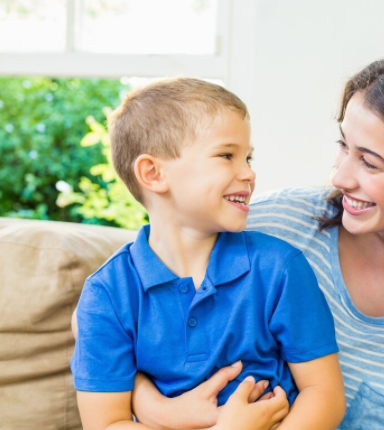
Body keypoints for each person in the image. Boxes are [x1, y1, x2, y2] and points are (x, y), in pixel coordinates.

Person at [131, 51, 384, 430]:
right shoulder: (275, 227)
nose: (340, 178)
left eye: (370, 162)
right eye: (343, 146)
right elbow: (116, 308)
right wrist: (159, 409)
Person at [70, 78, 347, 430]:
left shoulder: (279, 268)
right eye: (226, 155)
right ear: (153, 173)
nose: (249, 173)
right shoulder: (107, 293)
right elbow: (105, 424)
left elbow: (324, 392)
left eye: (247, 157)